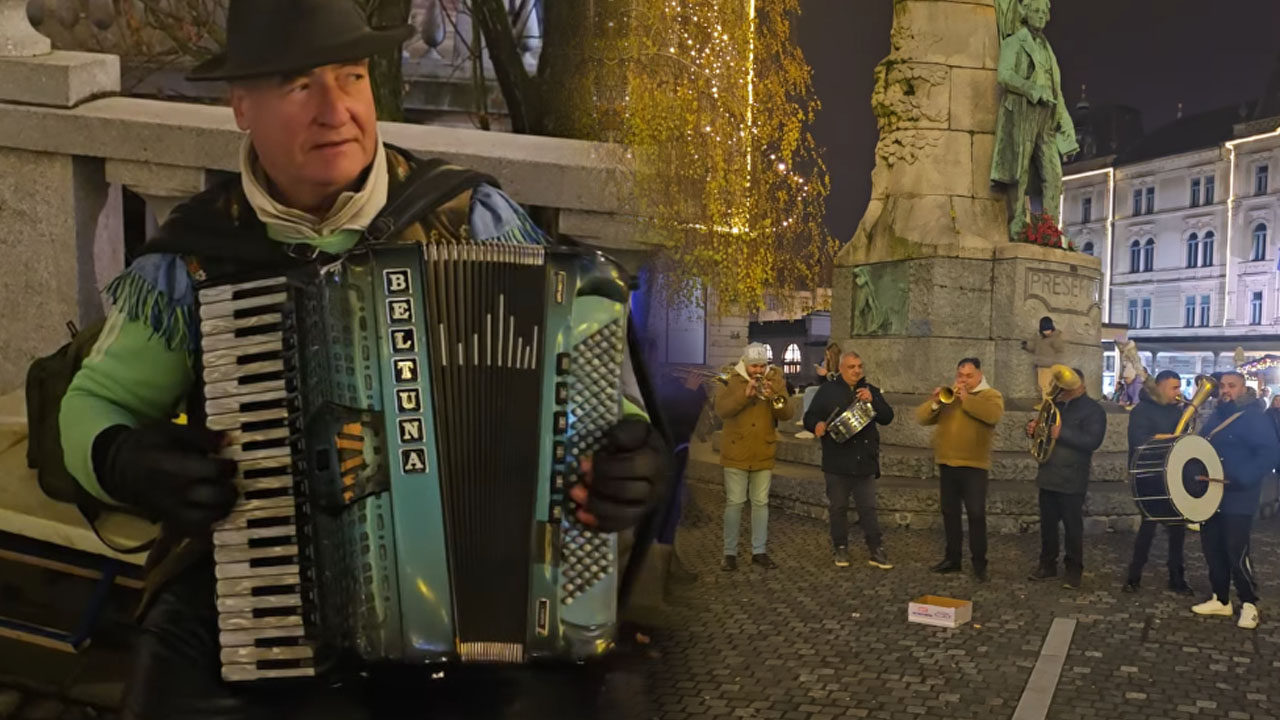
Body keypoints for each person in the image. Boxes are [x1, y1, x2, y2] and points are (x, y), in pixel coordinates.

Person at [57, 2, 669, 717]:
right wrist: (123, 458)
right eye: (298, 85)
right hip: (258, 594)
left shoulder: (471, 217)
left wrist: (630, 456)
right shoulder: (196, 255)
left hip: (480, 612)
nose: (336, 110)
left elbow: (587, 386)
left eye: (351, 76)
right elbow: (92, 405)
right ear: (241, 107)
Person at [1190, 371, 1280, 630]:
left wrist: (1241, 477)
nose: (1225, 390)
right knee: (1212, 548)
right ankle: (1221, 598)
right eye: (1223, 386)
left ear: (1243, 389)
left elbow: (1270, 454)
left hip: (1239, 496)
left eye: (1232, 386)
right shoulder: (1217, 415)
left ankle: (1249, 603)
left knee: (1236, 551)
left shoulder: (1254, 418)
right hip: (1211, 494)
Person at [802, 351, 895, 570]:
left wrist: (873, 402)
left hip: (864, 461)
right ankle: (840, 547)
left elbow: (887, 417)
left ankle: (876, 549)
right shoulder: (828, 391)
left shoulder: (869, 390)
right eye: (852, 367)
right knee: (838, 507)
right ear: (842, 369)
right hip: (837, 460)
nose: (857, 371)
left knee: (868, 508)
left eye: (859, 366)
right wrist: (816, 425)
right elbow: (810, 416)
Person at [915, 358, 1005, 582]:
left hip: (974, 465)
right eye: (960, 375)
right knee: (950, 513)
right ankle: (952, 558)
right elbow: (922, 418)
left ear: (979, 375)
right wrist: (936, 402)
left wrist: (966, 399)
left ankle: (979, 563)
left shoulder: (991, 395)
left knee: (975, 514)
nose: (963, 380)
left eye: (968, 376)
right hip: (948, 462)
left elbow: (992, 415)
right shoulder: (949, 396)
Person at [713, 343, 793, 570]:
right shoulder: (728, 377)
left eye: (761, 366)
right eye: (754, 367)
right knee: (735, 502)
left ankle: (759, 551)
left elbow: (787, 413)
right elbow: (721, 410)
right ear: (745, 364)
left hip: (763, 450)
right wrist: (744, 396)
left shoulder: (775, 378)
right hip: (736, 449)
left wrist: (774, 396)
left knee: (760, 503)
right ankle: (729, 554)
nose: (758, 371)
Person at [1025, 367, 1106, 590]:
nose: (1066, 390)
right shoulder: (1054, 405)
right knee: (1048, 525)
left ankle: (1074, 569)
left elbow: (1092, 441)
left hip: (1073, 475)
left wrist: (1063, 434)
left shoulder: (1093, 410)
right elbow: (1041, 427)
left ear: (1082, 386)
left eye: (1071, 386)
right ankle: (1047, 564)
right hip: (1049, 472)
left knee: (1072, 526)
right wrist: (1032, 428)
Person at [1122, 371, 1193, 595]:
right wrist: (1168, 438)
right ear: (1160, 387)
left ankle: (1177, 577)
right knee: (1148, 527)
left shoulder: (1177, 410)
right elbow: (1138, 441)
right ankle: (1134, 576)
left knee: (1177, 530)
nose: (1178, 393)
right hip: (1149, 474)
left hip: (1173, 473)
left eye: (1179, 388)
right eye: (1174, 388)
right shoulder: (1142, 410)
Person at [1021, 316, 1066, 396]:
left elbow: (1060, 351)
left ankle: (1047, 404)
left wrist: (1057, 364)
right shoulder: (1039, 338)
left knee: (1046, 387)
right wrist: (1026, 346)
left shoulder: (1055, 338)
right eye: (1045, 330)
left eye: (1049, 330)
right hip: (1040, 366)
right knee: (1040, 386)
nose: (1047, 332)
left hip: (1049, 367)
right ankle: (1045, 402)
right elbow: (1034, 347)